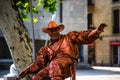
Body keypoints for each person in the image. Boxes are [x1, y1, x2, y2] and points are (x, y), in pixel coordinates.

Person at [19, 21, 107, 80]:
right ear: (48, 33)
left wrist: (96, 32)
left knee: (54, 64)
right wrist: (26, 70)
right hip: (55, 68)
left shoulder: (69, 37)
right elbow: (39, 63)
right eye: (51, 30)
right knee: (37, 77)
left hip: (69, 63)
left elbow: (83, 36)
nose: (53, 32)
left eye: (55, 30)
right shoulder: (45, 49)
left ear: (58, 30)